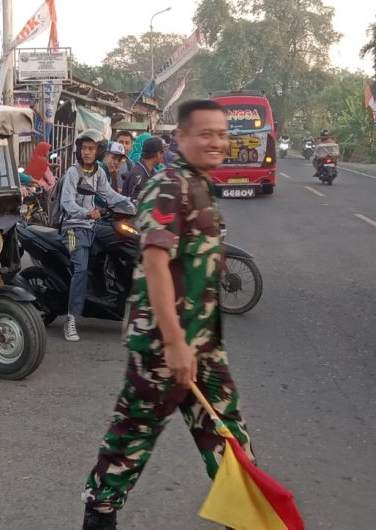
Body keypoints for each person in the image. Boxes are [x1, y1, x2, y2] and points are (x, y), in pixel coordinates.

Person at [81, 100, 254, 530]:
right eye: (206, 134)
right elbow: (156, 262)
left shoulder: (200, 183)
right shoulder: (168, 186)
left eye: (222, 134)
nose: (216, 142)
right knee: (129, 445)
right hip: (162, 349)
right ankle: (99, 515)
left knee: (230, 438)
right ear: (181, 138)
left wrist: (194, 344)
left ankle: (247, 514)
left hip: (204, 348)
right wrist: (175, 342)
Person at [59, 131, 131, 343]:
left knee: (122, 238)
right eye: (84, 148)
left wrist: (131, 202)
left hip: (92, 225)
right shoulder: (73, 172)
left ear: (98, 151)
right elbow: (67, 203)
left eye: (91, 148)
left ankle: (108, 292)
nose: (87, 152)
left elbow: (109, 194)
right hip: (72, 228)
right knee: (80, 269)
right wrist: (86, 213)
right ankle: (71, 319)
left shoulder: (98, 172)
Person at [120, 137, 164, 202]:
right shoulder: (138, 175)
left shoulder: (149, 171)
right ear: (158, 154)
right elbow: (135, 204)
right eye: (162, 152)